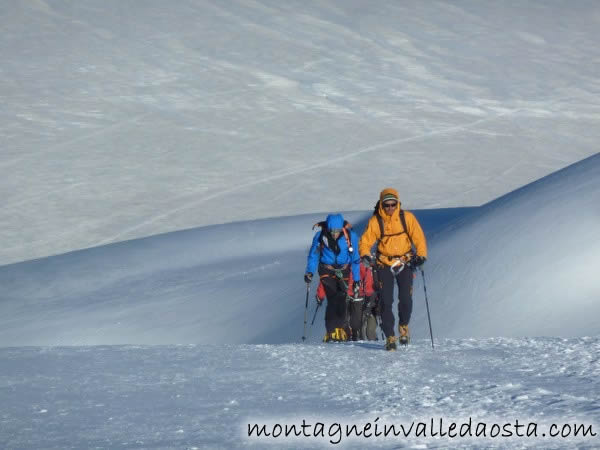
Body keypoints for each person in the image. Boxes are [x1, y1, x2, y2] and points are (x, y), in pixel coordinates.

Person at [359, 188, 427, 350]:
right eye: (387, 205)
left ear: (397, 203)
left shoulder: (407, 218)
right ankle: (390, 335)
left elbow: (418, 237)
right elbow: (365, 241)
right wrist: (365, 255)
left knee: (405, 298)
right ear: (381, 205)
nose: (390, 208)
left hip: (405, 262)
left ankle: (403, 326)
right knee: (385, 301)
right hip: (384, 264)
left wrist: (422, 255)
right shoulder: (376, 221)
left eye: (393, 204)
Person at [305, 213, 361, 342]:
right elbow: (313, 256)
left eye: (337, 230)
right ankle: (331, 330)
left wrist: (357, 279)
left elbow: (356, 259)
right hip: (326, 269)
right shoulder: (320, 237)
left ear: (342, 228)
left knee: (342, 298)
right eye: (332, 231)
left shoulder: (350, 236)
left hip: (344, 269)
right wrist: (309, 272)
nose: (334, 233)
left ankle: (339, 328)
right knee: (333, 297)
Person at [316, 261, 379, 341]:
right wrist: (320, 295)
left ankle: (355, 334)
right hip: (343, 294)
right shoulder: (336, 263)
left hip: (358, 295)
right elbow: (327, 280)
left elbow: (367, 277)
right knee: (343, 318)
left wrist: (368, 293)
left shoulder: (358, 264)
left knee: (356, 322)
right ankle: (346, 336)